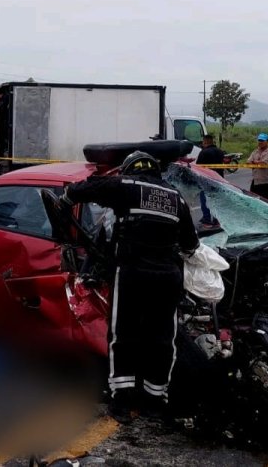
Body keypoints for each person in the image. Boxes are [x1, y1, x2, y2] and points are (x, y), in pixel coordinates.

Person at [63, 151, 199, 424]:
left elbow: (86, 188)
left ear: (130, 170)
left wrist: (67, 198)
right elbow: (191, 245)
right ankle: (155, 402)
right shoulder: (175, 198)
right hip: (167, 278)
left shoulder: (126, 185)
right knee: (162, 340)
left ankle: (122, 403)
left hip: (132, 274)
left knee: (123, 335)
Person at [194, 134, 226, 226]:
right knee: (216, 200)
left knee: (205, 200)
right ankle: (217, 220)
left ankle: (207, 219)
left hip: (206, 181)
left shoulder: (204, 152)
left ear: (205, 142)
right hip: (219, 180)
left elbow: (198, 167)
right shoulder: (220, 152)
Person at [247, 133, 268, 202]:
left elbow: (263, 164)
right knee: (254, 202)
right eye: (259, 140)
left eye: (262, 141)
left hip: (266, 182)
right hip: (256, 181)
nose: (260, 142)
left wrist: (254, 162)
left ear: (267, 141)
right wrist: (256, 162)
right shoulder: (255, 151)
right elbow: (248, 162)